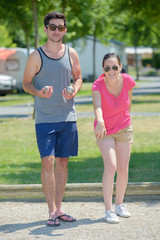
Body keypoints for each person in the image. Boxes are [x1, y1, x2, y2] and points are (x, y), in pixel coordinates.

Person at [23, 11, 82, 227]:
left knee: (63, 163)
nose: (57, 31)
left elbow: (78, 77)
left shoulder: (71, 53)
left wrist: (74, 90)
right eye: (53, 27)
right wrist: (39, 92)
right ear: (46, 29)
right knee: (47, 162)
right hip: (45, 119)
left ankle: (59, 209)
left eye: (61, 27)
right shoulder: (36, 56)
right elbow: (26, 83)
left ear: (64, 30)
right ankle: (51, 212)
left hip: (68, 117)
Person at [92, 53, 136, 224]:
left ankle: (120, 205)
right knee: (111, 165)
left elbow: (128, 104)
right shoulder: (98, 84)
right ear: (103, 68)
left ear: (120, 66)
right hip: (104, 129)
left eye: (114, 67)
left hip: (124, 128)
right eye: (107, 68)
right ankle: (109, 209)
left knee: (123, 169)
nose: (111, 71)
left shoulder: (128, 81)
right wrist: (100, 121)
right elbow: (97, 106)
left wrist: (124, 120)